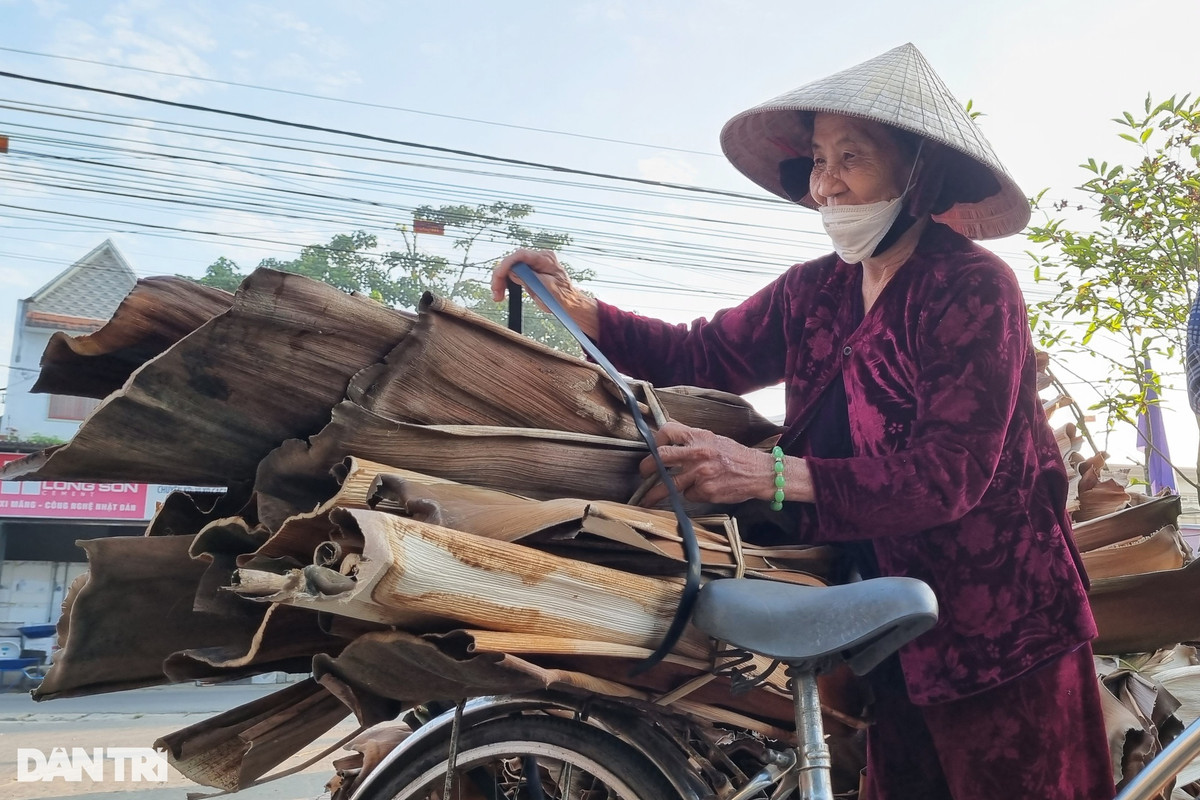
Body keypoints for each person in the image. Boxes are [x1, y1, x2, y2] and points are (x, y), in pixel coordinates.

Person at [492, 43, 1114, 800]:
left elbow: (948, 472)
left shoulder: (974, 288)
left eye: (852, 156)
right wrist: (583, 307)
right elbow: (704, 352)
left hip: (1002, 631)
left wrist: (770, 472)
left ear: (915, 173)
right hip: (890, 627)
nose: (825, 183)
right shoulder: (814, 292)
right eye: (819, 159)